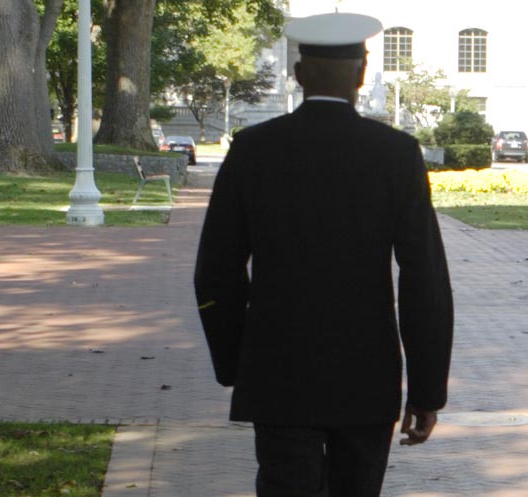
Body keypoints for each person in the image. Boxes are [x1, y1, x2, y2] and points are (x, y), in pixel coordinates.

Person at [193, 12, 454, 497]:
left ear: (297, 73)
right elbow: (425, 280)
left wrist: (235, 363)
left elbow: (216, 271)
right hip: (365, 374)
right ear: (361, 72)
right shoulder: (396, 153)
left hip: (277, 371)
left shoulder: (253, 150)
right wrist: (426, 388)